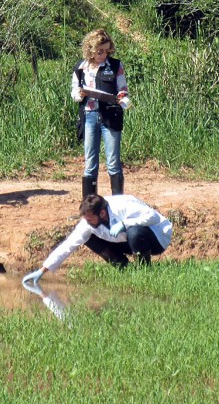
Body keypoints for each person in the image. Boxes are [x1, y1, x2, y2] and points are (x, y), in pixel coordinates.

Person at [22, 194, 172, 285]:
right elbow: (68, 245)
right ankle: (125, 269)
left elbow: (153, 217)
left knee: (135, 232)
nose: (87, 222)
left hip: (157, 236)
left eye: (90, 219)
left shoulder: (121, 206)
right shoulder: (88, 223)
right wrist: (42, 270)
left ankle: (144, 273)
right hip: (124, 239)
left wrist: (125, 223)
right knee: (88, 238)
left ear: (101, 213)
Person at [71, 29, 130, 199]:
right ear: (90, 50)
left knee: (113, 162)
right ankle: (89, 207)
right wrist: (80, 95)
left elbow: (123, 90)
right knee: (90, 163)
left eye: (107, 51)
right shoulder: (81, 68)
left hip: (111, 116)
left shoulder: (115, 66)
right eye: (100, 51)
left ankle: (118, 205)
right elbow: (74, 92)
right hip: (89, 116)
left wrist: (121, 98)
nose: (104, 55)